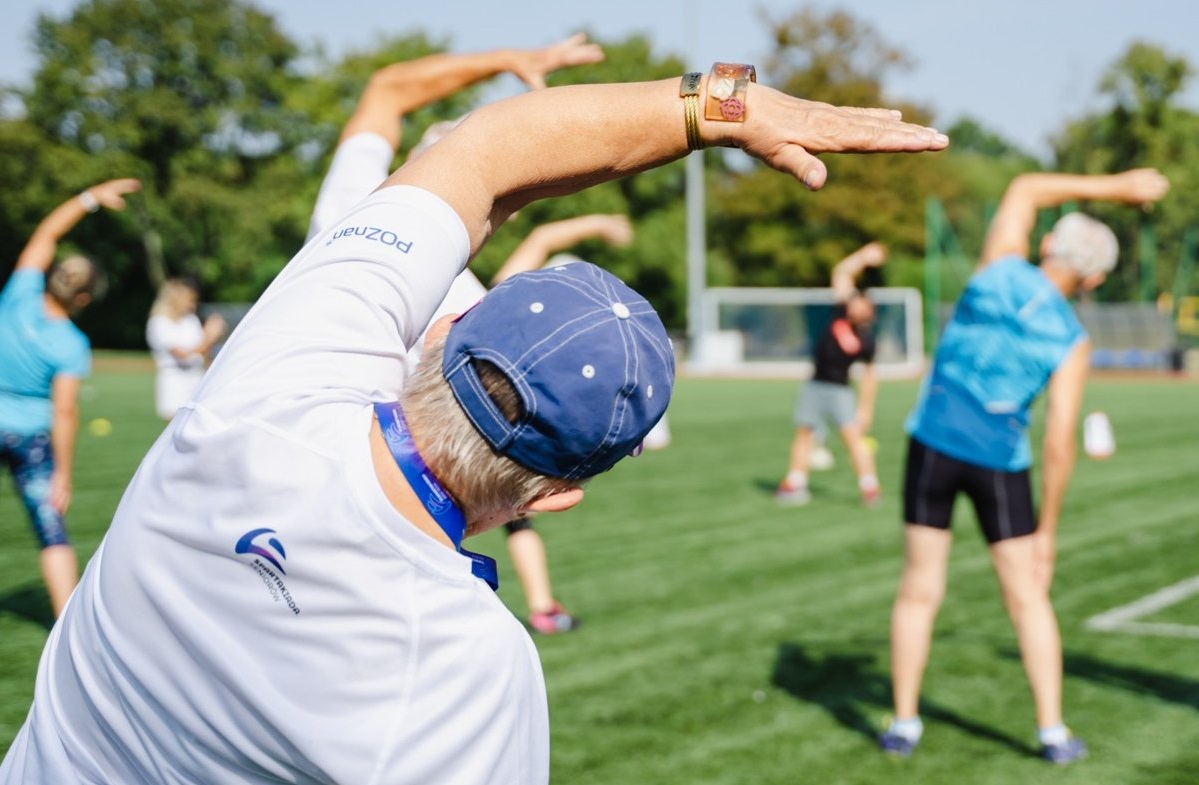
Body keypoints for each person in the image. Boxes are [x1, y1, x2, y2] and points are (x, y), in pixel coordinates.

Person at [0, 67, 947, 784]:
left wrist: (715, 108)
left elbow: (486, 152)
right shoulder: (467, 669)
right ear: (559, 493)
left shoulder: (272, 380)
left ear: (440, 327)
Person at [305, 37, 604, 634]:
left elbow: (387, 89)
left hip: (301, 460)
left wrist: (506, 59)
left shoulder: (349, 205)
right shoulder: (471, 301)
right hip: (407, 507)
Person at [879, 168, 1169, 764]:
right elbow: (1060, 443)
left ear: (1045, 245)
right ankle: (1052, 731)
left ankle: (904, 723)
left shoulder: (996, 270)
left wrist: (1118, 187)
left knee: (918, 590)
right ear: (1091, 279)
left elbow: (1027, 188)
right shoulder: (1070, 339)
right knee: (1027, 598)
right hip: (999, 469)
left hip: (931, 448)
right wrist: (1049, 534)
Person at [0, 178, 141, 619]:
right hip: (30, 441)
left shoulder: (18, 295)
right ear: (82, 298)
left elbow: (46, 234)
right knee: (50, 532)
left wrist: (89, 199)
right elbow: (64, 411)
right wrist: (62, 474)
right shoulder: (71, 345)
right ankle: (63, 622)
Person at [775, 241, 886, 506]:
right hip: (814, 385)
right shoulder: (838, 312)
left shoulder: (866, 340)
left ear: (869, 312)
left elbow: (870, 377)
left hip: (840, 391)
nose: (856, 305)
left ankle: (869, 486)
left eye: (862, 304)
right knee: (804, 432)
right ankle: (795, 482)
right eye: (855, 301)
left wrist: (866, 409)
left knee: (853, 439)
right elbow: (842, 273)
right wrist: (863, 256)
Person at [145, 277, 228, 420]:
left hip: (196, 377)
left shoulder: (191, 320)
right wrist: (209, 336)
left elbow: (203, 351)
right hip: (174, 381)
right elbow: (181, 354)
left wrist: (214, 339)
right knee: (175, 431)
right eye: (190, 300)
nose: (193, 305)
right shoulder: (159, 322)